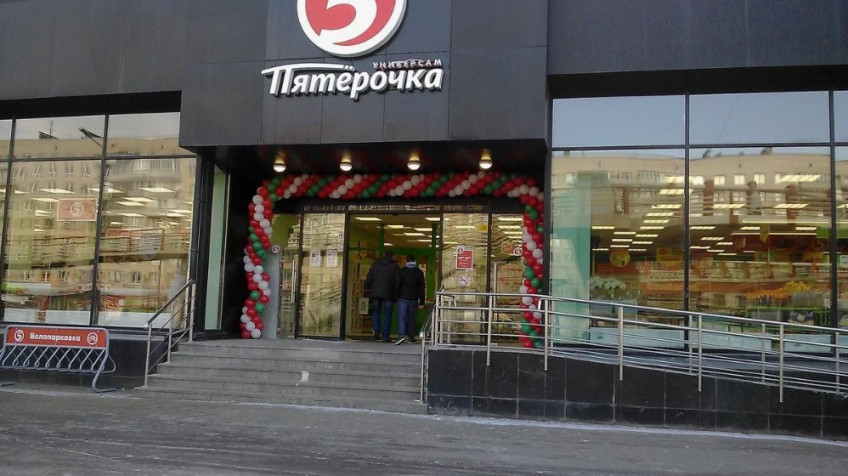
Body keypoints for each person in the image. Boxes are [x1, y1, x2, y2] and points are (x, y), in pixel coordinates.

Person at [365, 250, 399, 342]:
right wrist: (396, 295)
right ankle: (385, 335)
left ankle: (376, 330)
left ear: (384, 255)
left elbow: (369, 278)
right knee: (387, 313)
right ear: (392, 256)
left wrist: (369, 288)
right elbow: (397, 282)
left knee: (376, 311)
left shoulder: (375, 264)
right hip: (389, 293)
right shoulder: (394, 266)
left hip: (376, 292)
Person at [394, 254, 425, 345]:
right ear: (415, 261)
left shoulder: (401, 271)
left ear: (406, 261)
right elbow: (422, 288)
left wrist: (396, 298)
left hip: (402, 298)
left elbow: (397, 285)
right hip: (413, 299)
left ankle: (401, 336)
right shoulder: (419, 272)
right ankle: (411, 338)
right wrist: (422, 302)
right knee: (411, 318)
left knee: (402, 318)